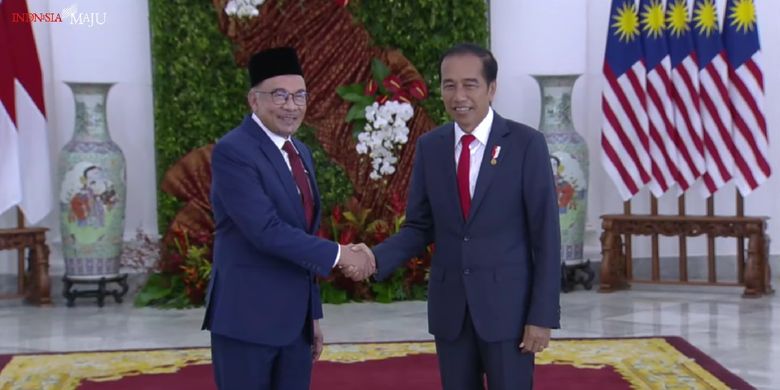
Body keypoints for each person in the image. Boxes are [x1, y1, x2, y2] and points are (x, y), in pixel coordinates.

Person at [349, 43, 561, 389]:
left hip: (508, 313)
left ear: (491, 89)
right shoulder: (431, 147)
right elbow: (420, 226)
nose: (458, 95)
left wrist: (542, 316)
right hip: (452, 313)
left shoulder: (526, 145)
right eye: (449, 85)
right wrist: (374, 257)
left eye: (469, 84)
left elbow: (546, 237)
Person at [201, 46, 374, 390]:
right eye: (279, 95)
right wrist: (341, 255)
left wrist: (311, 317)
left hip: (294, 326)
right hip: (247, 321)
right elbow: (266, 230)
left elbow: (300, 233)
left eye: (299, 96)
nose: (292, 106)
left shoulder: (301, 152)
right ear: (254, 100)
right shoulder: (234, 151)